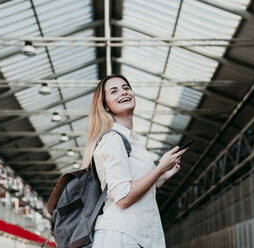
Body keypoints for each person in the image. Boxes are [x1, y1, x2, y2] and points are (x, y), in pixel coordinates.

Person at [81, 74, 188, 248]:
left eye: (126, 88)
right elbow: (123, 197)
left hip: (133, 235)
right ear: (105, 106)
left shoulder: (134, 142)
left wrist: (164, 174)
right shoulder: (113, 140)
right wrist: (159, 167)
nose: (123, 92)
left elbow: (139, 186)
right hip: (121, 235)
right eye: (114, 91)